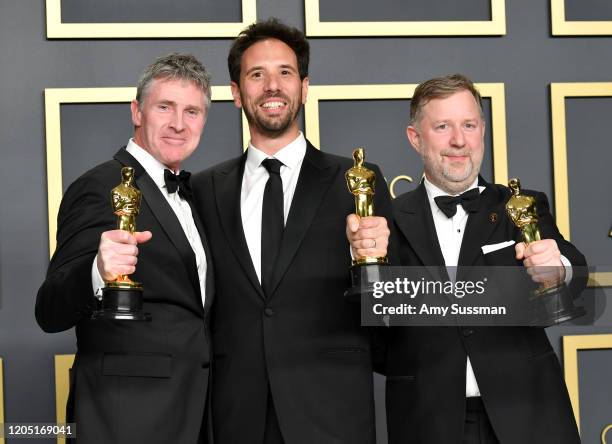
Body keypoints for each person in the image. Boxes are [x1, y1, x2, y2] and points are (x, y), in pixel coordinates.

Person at [191, 18, 391, 444]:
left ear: (304, 87)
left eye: (284, 73)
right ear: (235, 92)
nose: (272, 86)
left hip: (333, 413)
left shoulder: (356, 179)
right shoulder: (203, 189)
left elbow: (393, 308)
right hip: (236, 414)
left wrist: (380, 263)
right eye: (256, 74)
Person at [364, 74, 585, 443]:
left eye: (468, 125)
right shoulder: (385, 222)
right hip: (426, 420)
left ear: (482, 129)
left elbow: (575, 275)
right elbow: (372, 333)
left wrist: (556, 270)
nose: (458, 140)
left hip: (528, 415)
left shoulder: (521, 205)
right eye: (442, 126)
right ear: (415, 138)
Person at [36, 53, 214, 443]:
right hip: (126, 418)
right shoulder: (98, 187)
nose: (178, 124)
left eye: (192, 111)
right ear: (137, 111)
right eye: (164, 107)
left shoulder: (196, 196)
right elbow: (49, 309)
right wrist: (97, 271)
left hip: (195, 414)